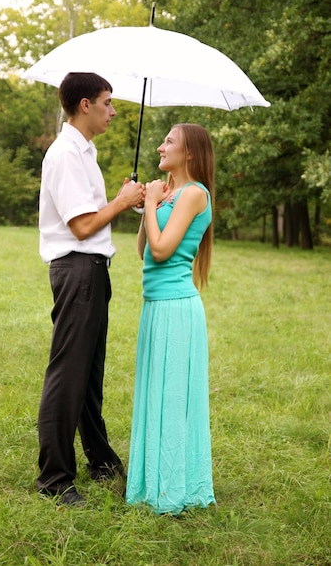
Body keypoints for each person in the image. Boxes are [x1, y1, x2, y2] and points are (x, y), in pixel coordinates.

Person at [37, 72, 145, 506]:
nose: (113, 111)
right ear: (85, 105)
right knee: (68, 375)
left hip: (94, 270)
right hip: (77, 269)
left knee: (90, 375)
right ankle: (55, 479)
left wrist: (120, 200)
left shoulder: (86, 152)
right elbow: (81, 227)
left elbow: (90, 217)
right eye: (107, 102)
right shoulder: (64, 154)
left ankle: (99, 459)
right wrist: (120, 203)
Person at [126, 123, 216, 515]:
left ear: (190, 154)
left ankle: (177, 487)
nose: (161, 147)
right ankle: (153, 482)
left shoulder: (195, 194)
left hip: (178, 309)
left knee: (174, 397)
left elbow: (162, 252)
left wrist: (151, 205)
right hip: (155, 307)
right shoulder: (170, 194)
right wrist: (146, 204)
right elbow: (143, 248)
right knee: (156, 394)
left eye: (169, 142)